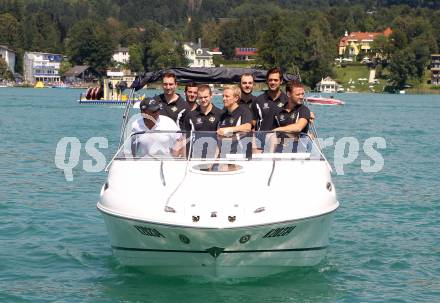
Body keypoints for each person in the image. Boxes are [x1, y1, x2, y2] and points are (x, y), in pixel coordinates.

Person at [251, 67, 288, 149]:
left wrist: (309, 114)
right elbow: (253, 124)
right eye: (270, 80)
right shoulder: (258, 101)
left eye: (275, 80)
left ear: (281, 81)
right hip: (260, 142)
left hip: (281, 142)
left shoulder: (288, 101)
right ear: (267, 81)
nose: (273, 82)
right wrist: (253, 145)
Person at [183, 84, 223, 158]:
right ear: (198, 97)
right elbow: (185, 138)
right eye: (200, 97)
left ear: (211, 96)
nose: (203, 100)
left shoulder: (220, 114)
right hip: (196, 156)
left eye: (205, 97)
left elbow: (223, 138)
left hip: (215, 157)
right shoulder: (190, 116)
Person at [272, 80, 311, 153]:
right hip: (281, 148)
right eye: (298, 94)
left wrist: (278, 129)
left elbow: (298, 127)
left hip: (299, 149)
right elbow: (271, 130)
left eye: (302, 94)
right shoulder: (278, 110)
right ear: (289, 94)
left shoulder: (304, 110)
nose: (301, 97)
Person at [217, 85, 253, 157]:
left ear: (236, 98)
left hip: (240, 155)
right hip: (225, 155)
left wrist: (228, 129)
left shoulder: (244, 111)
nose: (224, 99)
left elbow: (247, 127)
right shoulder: (223, 115)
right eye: (223, 96)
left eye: (227, 96)